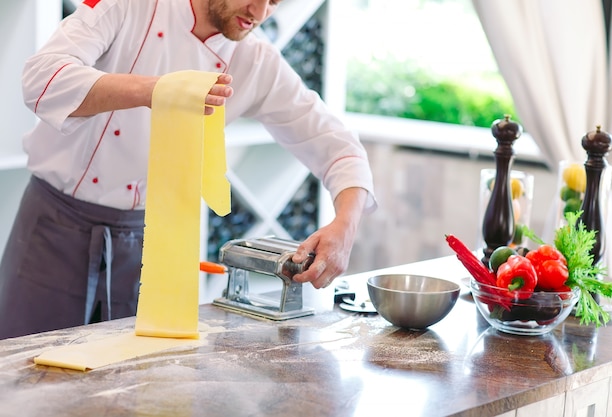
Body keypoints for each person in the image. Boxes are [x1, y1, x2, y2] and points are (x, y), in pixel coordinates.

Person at [0, 0, 377, 339]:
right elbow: (41, 80)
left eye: (275, 2)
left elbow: (335, 144)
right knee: (23, 369)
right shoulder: (126, 6)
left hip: (153, 243)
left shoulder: (256, 61)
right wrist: (157, 91)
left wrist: (345, 226)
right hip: (54, 229)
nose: (260, 13)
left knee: (132, 382)